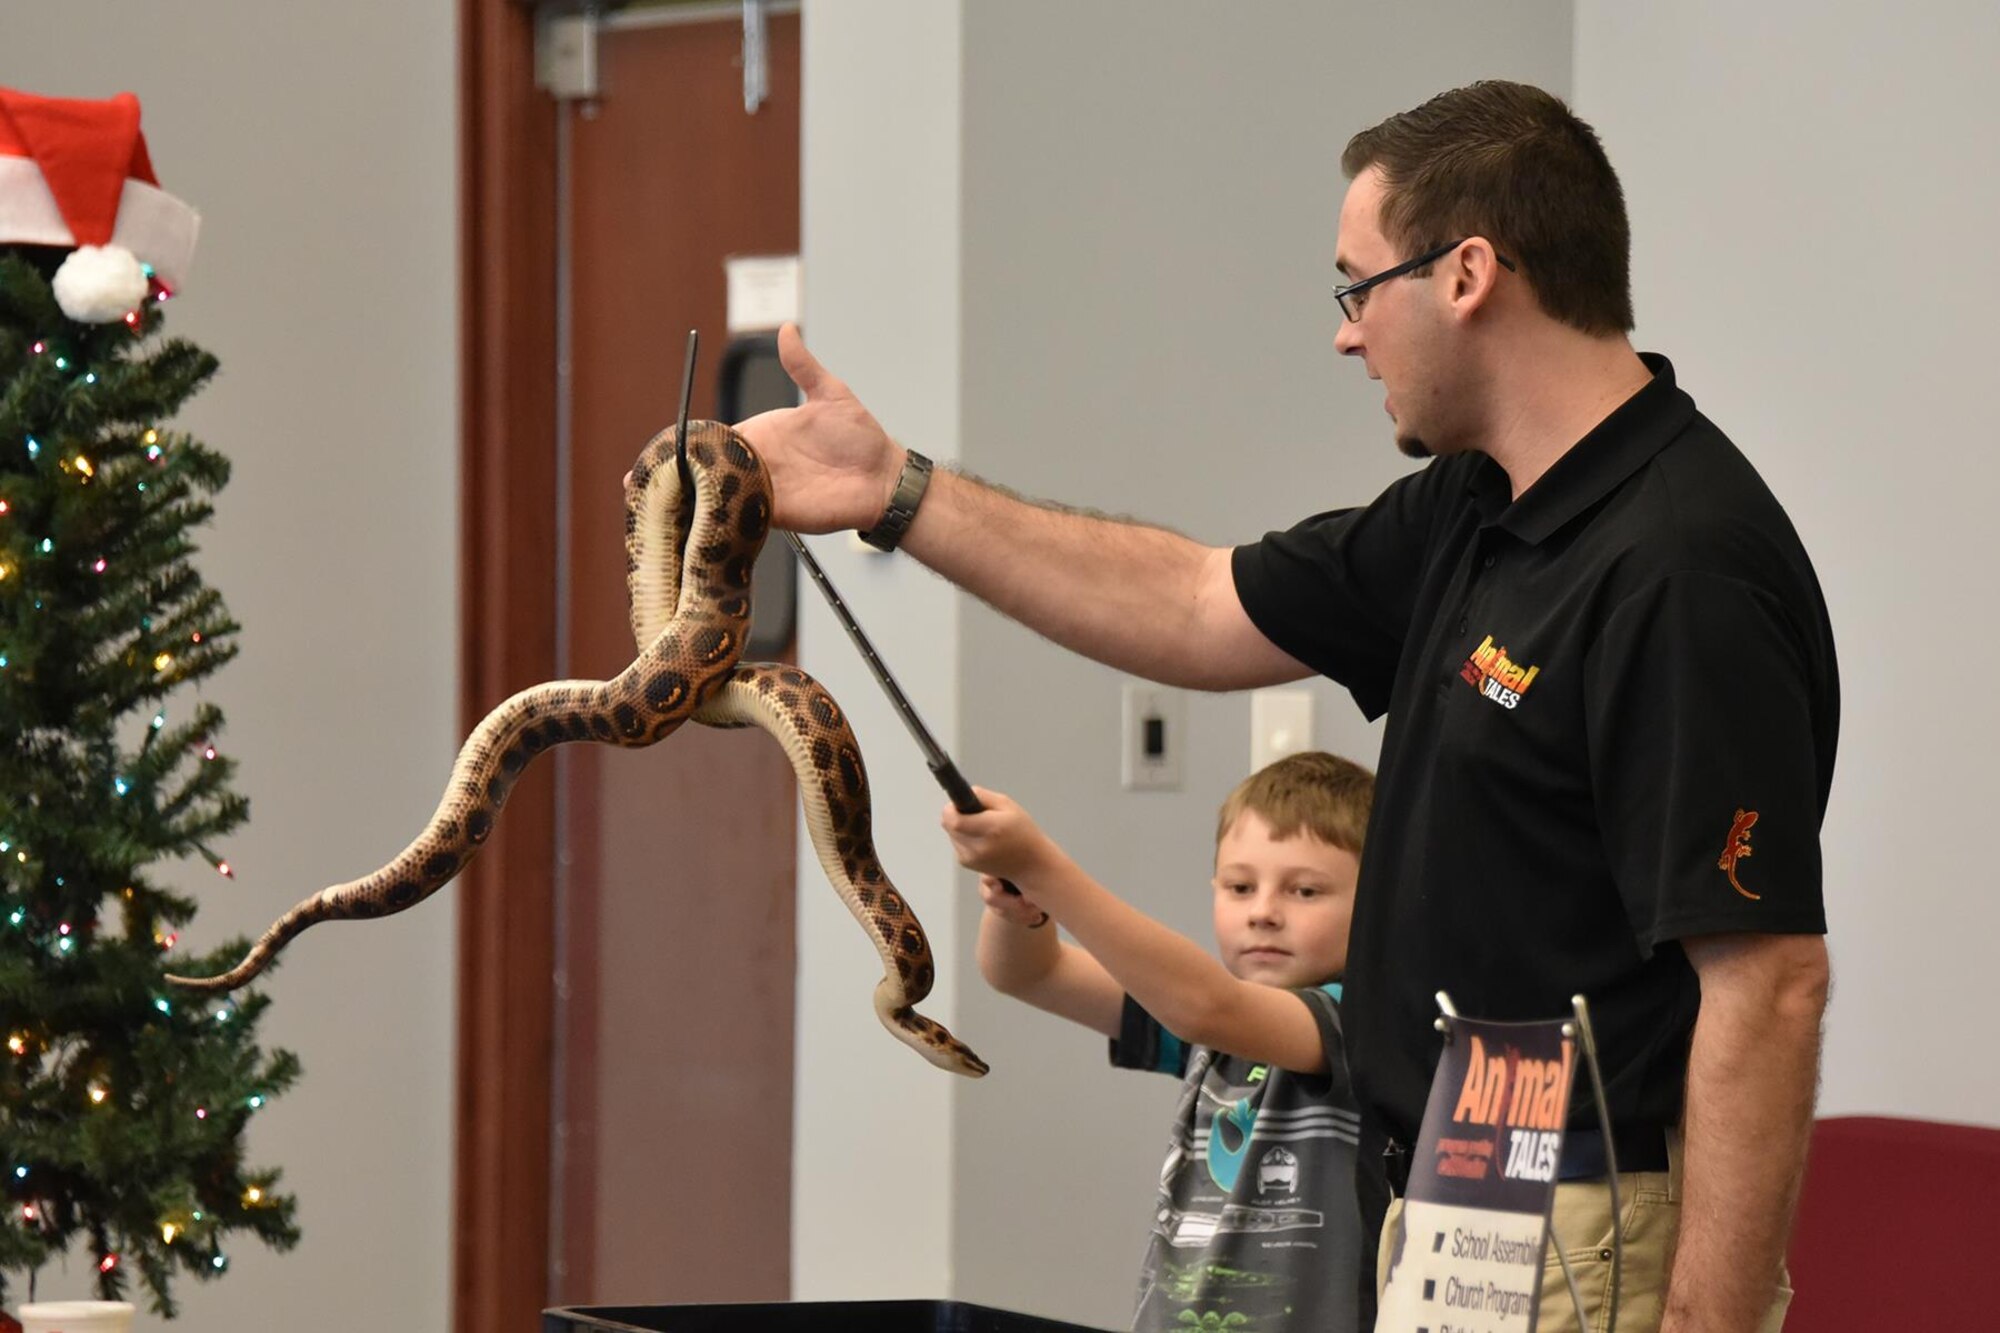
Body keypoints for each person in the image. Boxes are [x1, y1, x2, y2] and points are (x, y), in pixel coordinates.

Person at [732, 79, 1834, 1333]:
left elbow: (1768, 981)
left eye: (1357, 285)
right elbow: (1199, 602)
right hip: (1450, 1204)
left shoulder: (1677, 565)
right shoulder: (1478, 507)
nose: (1346, 333)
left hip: (1586, 1227)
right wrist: (894, 490)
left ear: (1466, 272)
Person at [942, 751, 1374, 1333]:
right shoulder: (1212, 1034)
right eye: (1241, 886)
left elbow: (1207, 1005)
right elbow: (1028, 974)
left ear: (1377, 903)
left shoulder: (1359, 1021)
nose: (1264, 913)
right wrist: (1024, 915)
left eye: (1305, 892)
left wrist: (1044, 869)